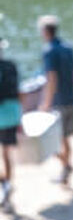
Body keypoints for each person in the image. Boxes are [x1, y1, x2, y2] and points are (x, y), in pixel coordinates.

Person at [38, 15, 73, 184]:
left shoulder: (49, 50)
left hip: (58, 102)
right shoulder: (68, 48)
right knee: (65, 138)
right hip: (71, 99)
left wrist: (46, 103)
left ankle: (66, 165)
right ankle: (66, 167)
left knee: (50, 141)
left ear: (44, 31)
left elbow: (51, 78)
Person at [0, 38, 21, 210]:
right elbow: (18, 92)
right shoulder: (11, 66)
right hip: (12, 113)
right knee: (6, 153)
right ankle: (7, 184)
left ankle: (4, 184)